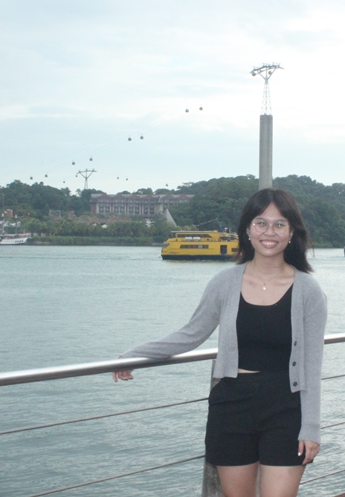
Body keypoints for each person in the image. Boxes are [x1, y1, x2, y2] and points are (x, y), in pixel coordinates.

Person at [112, 188, 327, 497]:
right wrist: (136, 355)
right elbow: (190, 334)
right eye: (261, 223)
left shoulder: (308, 291)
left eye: (279, 224)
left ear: (292, 232)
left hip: (286, 407)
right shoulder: (224, 283)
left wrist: (312, 427)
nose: (269, 232)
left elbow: (312, 364)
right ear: (247, 230)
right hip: (232, 405)